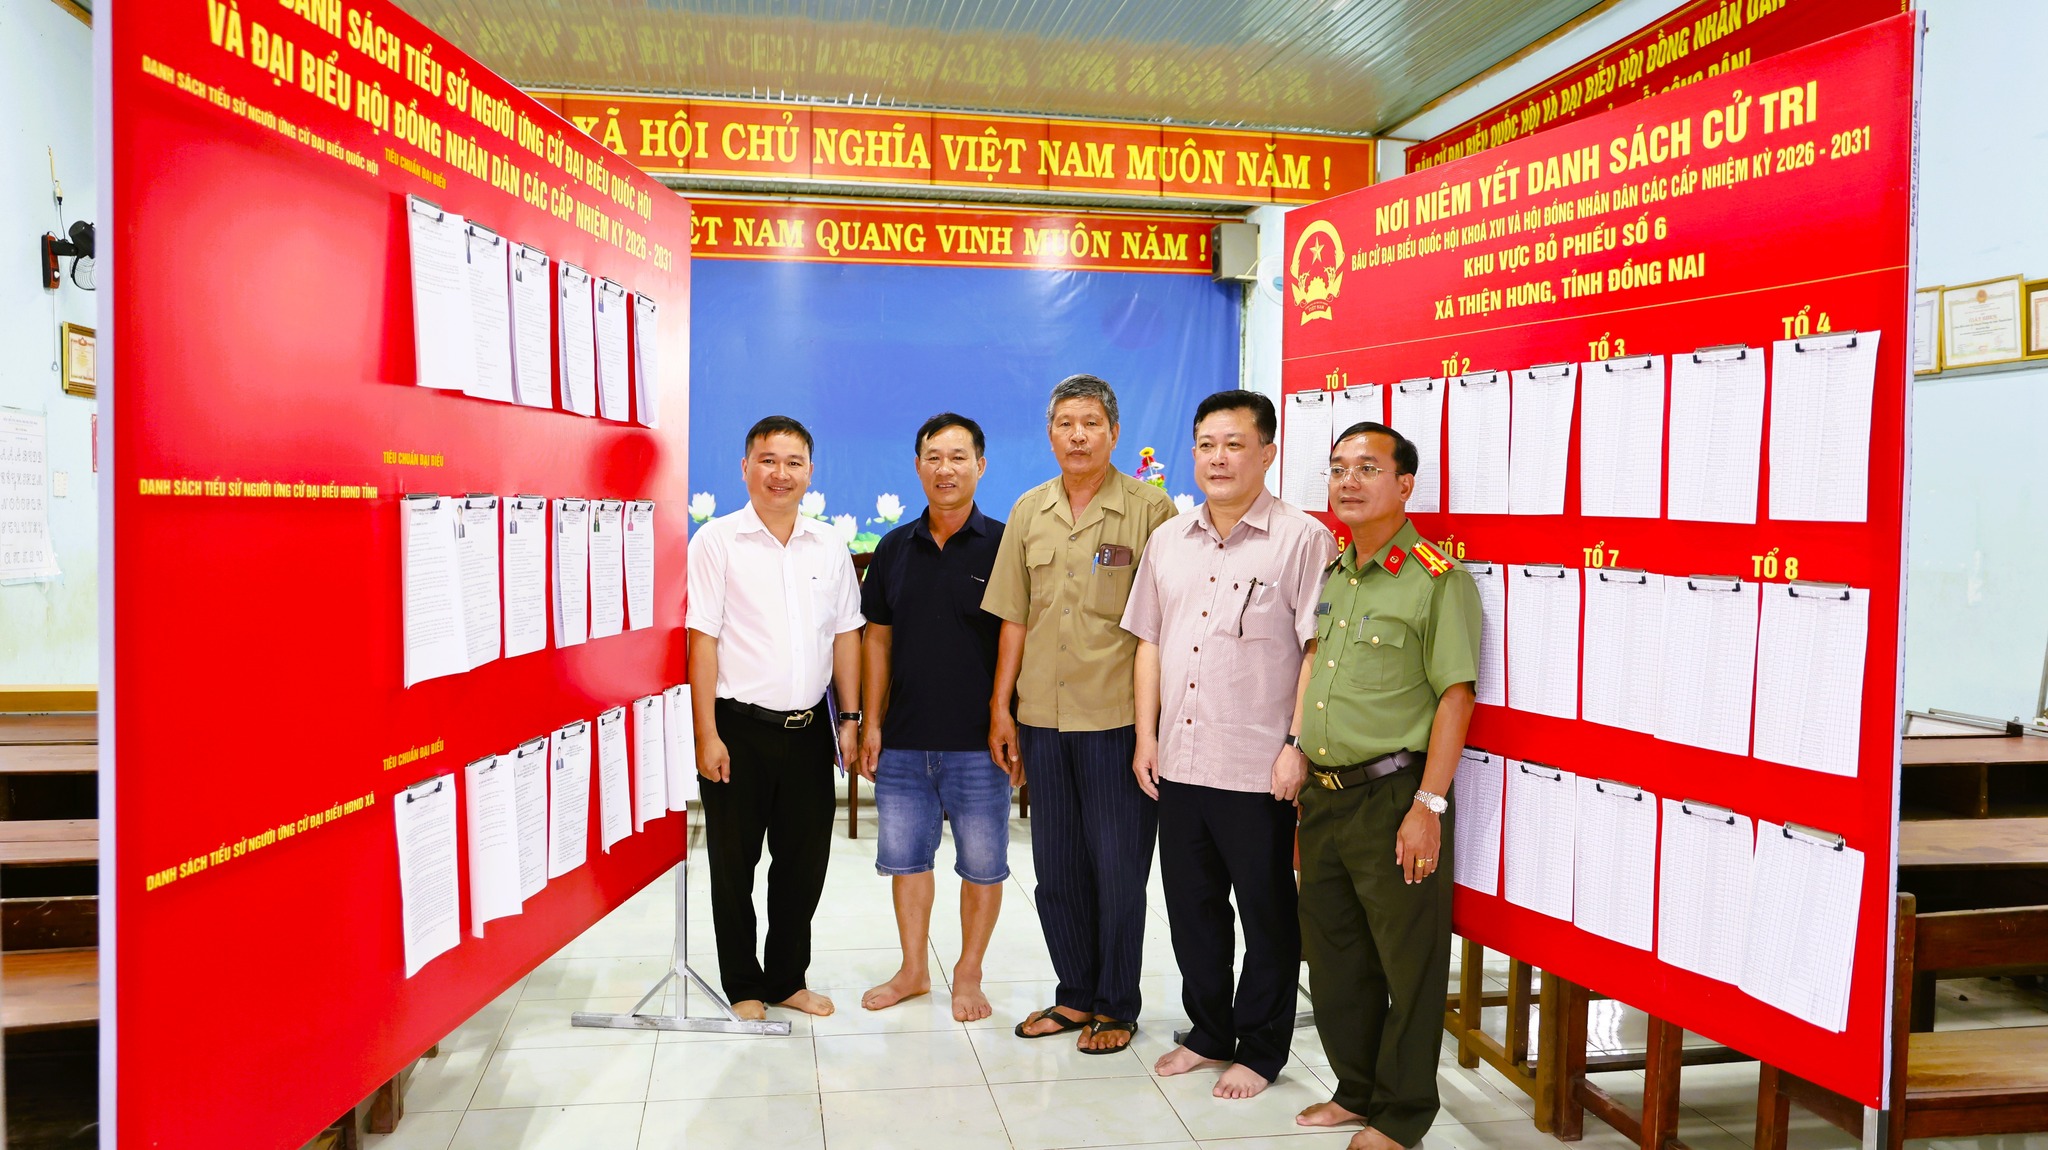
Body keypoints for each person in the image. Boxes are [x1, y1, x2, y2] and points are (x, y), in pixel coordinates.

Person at [1121, 390, 1336, 1098]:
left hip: (1257, 764)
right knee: (1192, 910)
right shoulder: (1168, 539)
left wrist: (1297, 743)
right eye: (1207, 445)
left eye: (1234, 444)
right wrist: (1145, 735)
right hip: (1180, 759)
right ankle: (1210, 1032)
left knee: (1267, 914)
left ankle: (1263, 1047)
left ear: (1267, 453)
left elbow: (1316, 651)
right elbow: (1149, 643)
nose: (1218, 458)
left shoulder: (1302, 539)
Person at [1292, 421, 1481, 1150]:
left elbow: (1456, 696)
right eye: (1338, 467)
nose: (1347, 480)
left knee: (1410, 964)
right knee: (1336, 955)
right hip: (1325, 795)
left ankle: (1402, 1117)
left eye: (1367, 468)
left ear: (1405, 485)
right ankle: (1357, 1091)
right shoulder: (1337, 573)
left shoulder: (1436, 579)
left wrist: (1428, 805)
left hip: (1393, 797)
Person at [983, 373, 1176, 1055]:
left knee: (1119, 871)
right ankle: (1075, 995)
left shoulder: (1151, 511)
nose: (1078, 435)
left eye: (1091, 423)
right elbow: (1013, 617)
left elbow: (1166, 626)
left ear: (1114, 433)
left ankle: (1116, 1004)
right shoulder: (1029, 510)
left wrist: (1152, 730)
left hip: (1118, 720)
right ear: (1050, 434)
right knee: (1057, 870)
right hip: (1042, 716)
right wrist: (1002, 708)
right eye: (1066, 423)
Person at [685, 415, 863, 1021]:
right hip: (737, 729)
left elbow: (846, 635)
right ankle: (742, 985)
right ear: (745, 467)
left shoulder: (829, 545)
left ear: (810, 472)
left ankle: (787, 978)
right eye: (768, 460)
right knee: (733, 867)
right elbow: (702, 641)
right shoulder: (716, 542)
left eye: (793, 463)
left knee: (803, 865)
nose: (780, 474)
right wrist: (706, 733)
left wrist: (850, 717)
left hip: (810, 731)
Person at [855, 413, 1011, 1023]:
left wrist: (1009, 717)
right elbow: (877, 641)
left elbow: (1017, 638)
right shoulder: (894, 548)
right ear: (918, 466)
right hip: (904, 740)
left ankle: (968, 973)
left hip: (981, 743)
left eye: (958, 457)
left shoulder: (1005, 546)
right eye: (933, 458)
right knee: (906, 862)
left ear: (981, 465)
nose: (945, 469)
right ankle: (914, 970)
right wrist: (872, 723)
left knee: (983, 866)